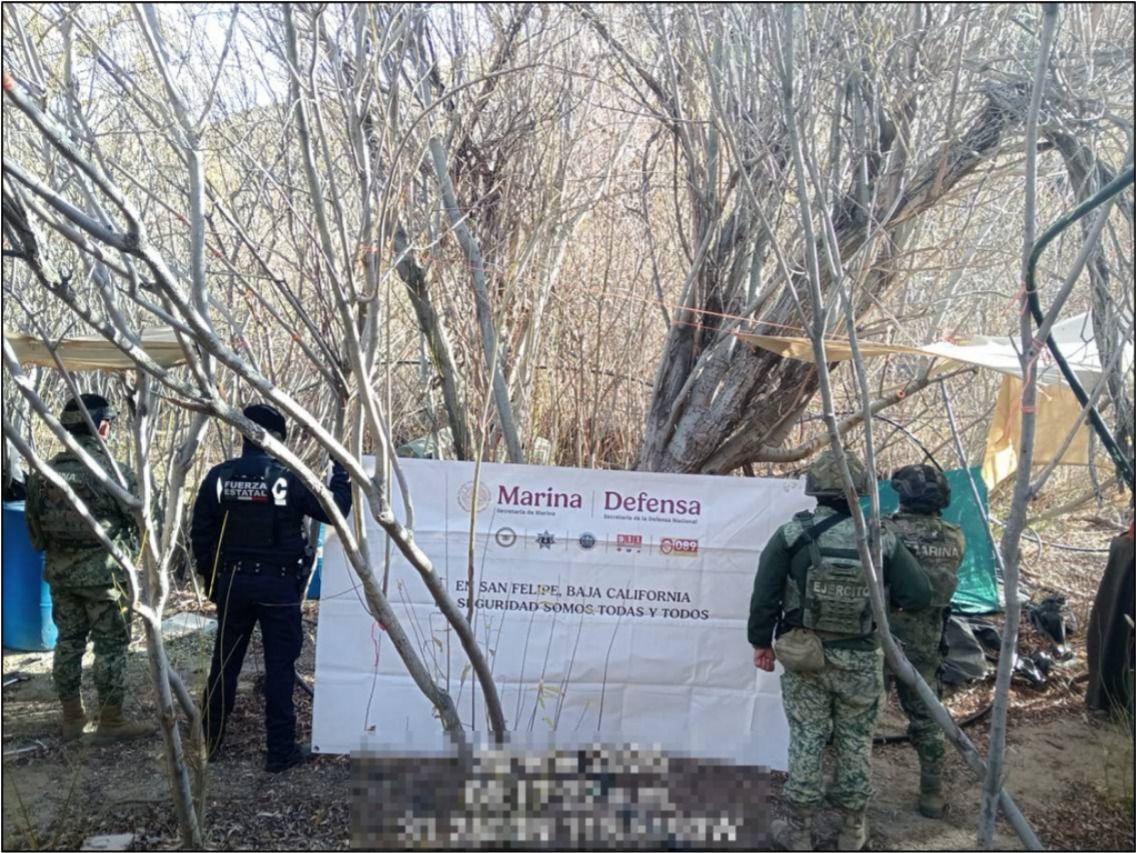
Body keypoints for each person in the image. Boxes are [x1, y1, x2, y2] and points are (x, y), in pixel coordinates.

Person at [748, 449, 931, 851]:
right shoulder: (879, 538)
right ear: (859, 492)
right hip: (863, 661)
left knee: (807, 738)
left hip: (805, 656)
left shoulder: (792, 535)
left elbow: (764, 596)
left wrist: (761, 643)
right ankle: (852, 830)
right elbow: (918, 594)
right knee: (855, 740)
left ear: (814, 491)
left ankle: (798, 833)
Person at [192, 404, 352, 772]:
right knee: (280, 667)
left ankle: (208, 742)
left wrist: (214, 582)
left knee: (225, 664)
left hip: (232, 582)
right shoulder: (287, 478)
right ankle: (279, 750)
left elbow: (201, 534)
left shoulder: (219, 476)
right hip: (278, 585)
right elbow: (335, 511)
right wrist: (340, 471)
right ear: (276, 439)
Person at [25, 393, 156, 743]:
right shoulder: (112, 472)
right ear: (102, 427)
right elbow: (147, 521)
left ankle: (72, 718)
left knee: (68, 642)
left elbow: (34, 532)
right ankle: (111, 723)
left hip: (61, 575)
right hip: (107, 578)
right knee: (111, 646)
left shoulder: (42, 473)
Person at [883, 464, 965, 819]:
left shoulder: (886, 531)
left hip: (880, 634)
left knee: (857, 716)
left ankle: (847, 794)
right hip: (927, 639)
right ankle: (931, 793)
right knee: (926, 716)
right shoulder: (955, 536)